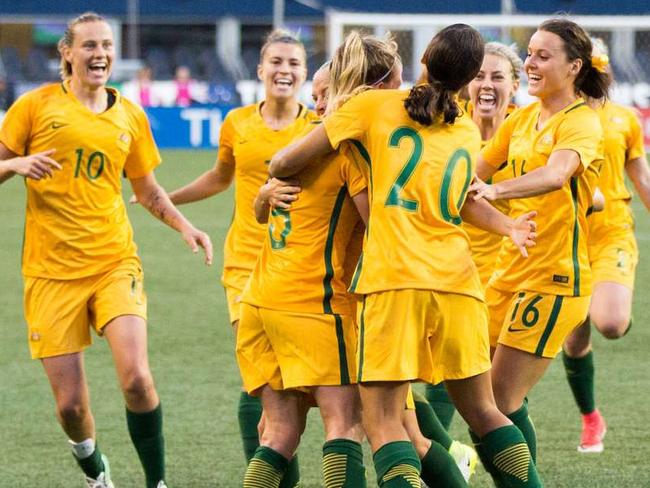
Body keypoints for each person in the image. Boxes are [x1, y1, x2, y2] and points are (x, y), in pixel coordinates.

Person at [269, 24, 542, 488]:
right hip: (458, 283)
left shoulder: (373, 106)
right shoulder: (464, 130)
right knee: (484, 411)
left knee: (383, 425)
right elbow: (461, 200)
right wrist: (508, 223)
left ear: (423, 61)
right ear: (471, 78)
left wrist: (276, 178)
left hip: (393, 282)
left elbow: (283, 164)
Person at [0, 12, 212, 488]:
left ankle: (156, 481)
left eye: (107, 46)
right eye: (90, 46)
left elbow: (149, 190)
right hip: (50, 272)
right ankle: (95, 469)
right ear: (67, 53)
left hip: (114, 261)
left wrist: (184, 225)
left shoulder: (130, 115)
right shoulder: (34, 108)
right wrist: (15, 163)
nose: (100, 55)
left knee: (136, 377)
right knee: (71, 408)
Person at [165, 29, 316, 487]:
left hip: (300, 268)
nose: (284, 70)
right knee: (259, 379)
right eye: (276, 62)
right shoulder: (237, 123)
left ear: (305, 73)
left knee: (307, 388)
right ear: (260, 69)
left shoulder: (316, 129)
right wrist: (166, 200)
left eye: (293, 63)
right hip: (245, 266)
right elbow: (219, 176)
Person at [469, 18, 609, 469]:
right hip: (506, 273)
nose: (529, 63)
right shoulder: (524, 118)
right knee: (475, 394)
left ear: (574, 68)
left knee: (496, 400)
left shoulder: (581, 122)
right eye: (528, 53)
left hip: (554, 280)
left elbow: (556, 174)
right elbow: (474, 170)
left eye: (543, 56)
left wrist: (496, 192)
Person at [426, 41, 523, 431]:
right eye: (479, 76)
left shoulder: (530, 130)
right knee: (440, 372)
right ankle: (451, 453)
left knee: (502, 391)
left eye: (497, 77)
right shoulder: (447, 124)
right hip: (451, 268)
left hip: (510, 273)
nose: (486, 85)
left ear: (514, 85)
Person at [561, 37, 650, 453]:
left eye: (603, 66)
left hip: (612, 230)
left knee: (610, 324)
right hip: (565, 237)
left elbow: (641, 178)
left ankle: (616, 306)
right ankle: (591, 419)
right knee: (574, 341)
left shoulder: (624, 119)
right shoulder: (557, 117)